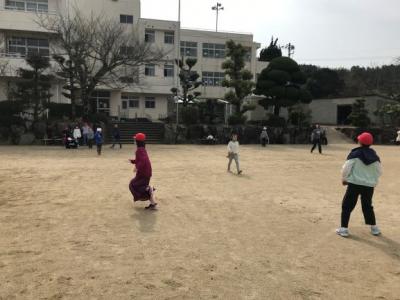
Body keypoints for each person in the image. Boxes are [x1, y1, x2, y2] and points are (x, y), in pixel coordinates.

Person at [336, 132, 382, 237]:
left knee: (347, 205)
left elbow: (346, 168)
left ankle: (344, 229)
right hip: (369, 186)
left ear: (359, 142)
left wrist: (344, 179)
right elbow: (379, 171)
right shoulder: (375, 156)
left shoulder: (355, 154)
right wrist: (372, 180)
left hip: (354, 184)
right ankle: (374, 228)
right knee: (368, 206)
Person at [129, 133, 157, 210]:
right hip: (146, 172)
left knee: (133, 184)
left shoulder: (139, 150)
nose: (134, 141)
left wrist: (137, 167)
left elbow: (143, 160)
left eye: (135, 140)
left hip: (143, 173)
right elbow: (140, 160)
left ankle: (148, 188)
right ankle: (153, 203)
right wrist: (133, 161)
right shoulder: (142, 149)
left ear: (137, 141)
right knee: (137, 185)